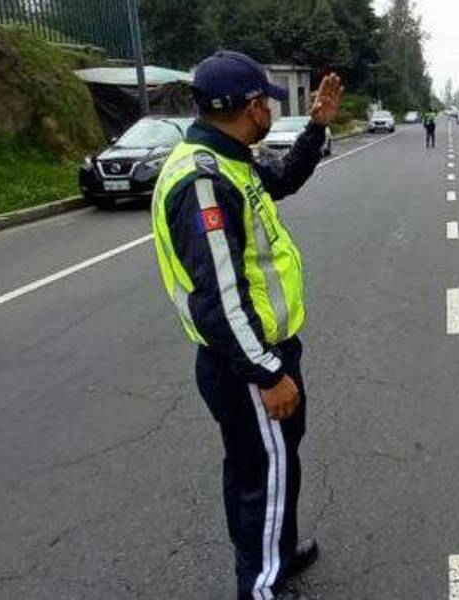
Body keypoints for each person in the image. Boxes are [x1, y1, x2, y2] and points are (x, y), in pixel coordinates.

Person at [150, 50, 342, 600]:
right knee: (263, 473)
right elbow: (219, 299)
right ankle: (261, 587)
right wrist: (267, 372)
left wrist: (316, 128)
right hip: (248, 362)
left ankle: (274, 553)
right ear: (251, 106)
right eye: (266, 103)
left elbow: (281, 179)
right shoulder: (203, 181)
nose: (270, 112)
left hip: (257, 353)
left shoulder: (229, 159)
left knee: (262, 466)